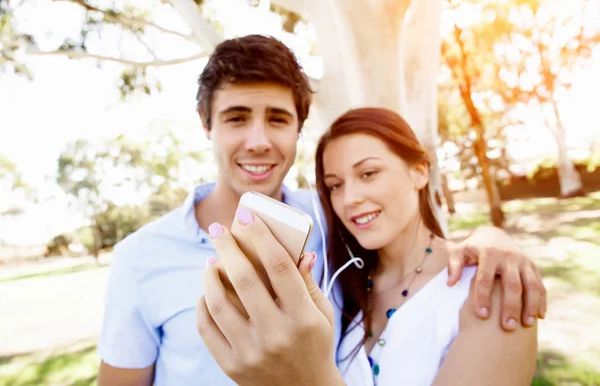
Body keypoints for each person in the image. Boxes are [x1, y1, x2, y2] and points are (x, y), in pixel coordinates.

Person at [98, 34, 545, 386]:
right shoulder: (141, 258)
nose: (258, 141)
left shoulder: (332, 220)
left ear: (298, 129)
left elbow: (411, 243)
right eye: (236, 117)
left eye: (277, 118)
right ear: (206, 126)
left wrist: (491, 239)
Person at [199, 107, 540, 386]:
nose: (350, 199)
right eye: (334, 186)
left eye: (368, 173)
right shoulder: (343, 286)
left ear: (419, 172)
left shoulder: (489, 286)